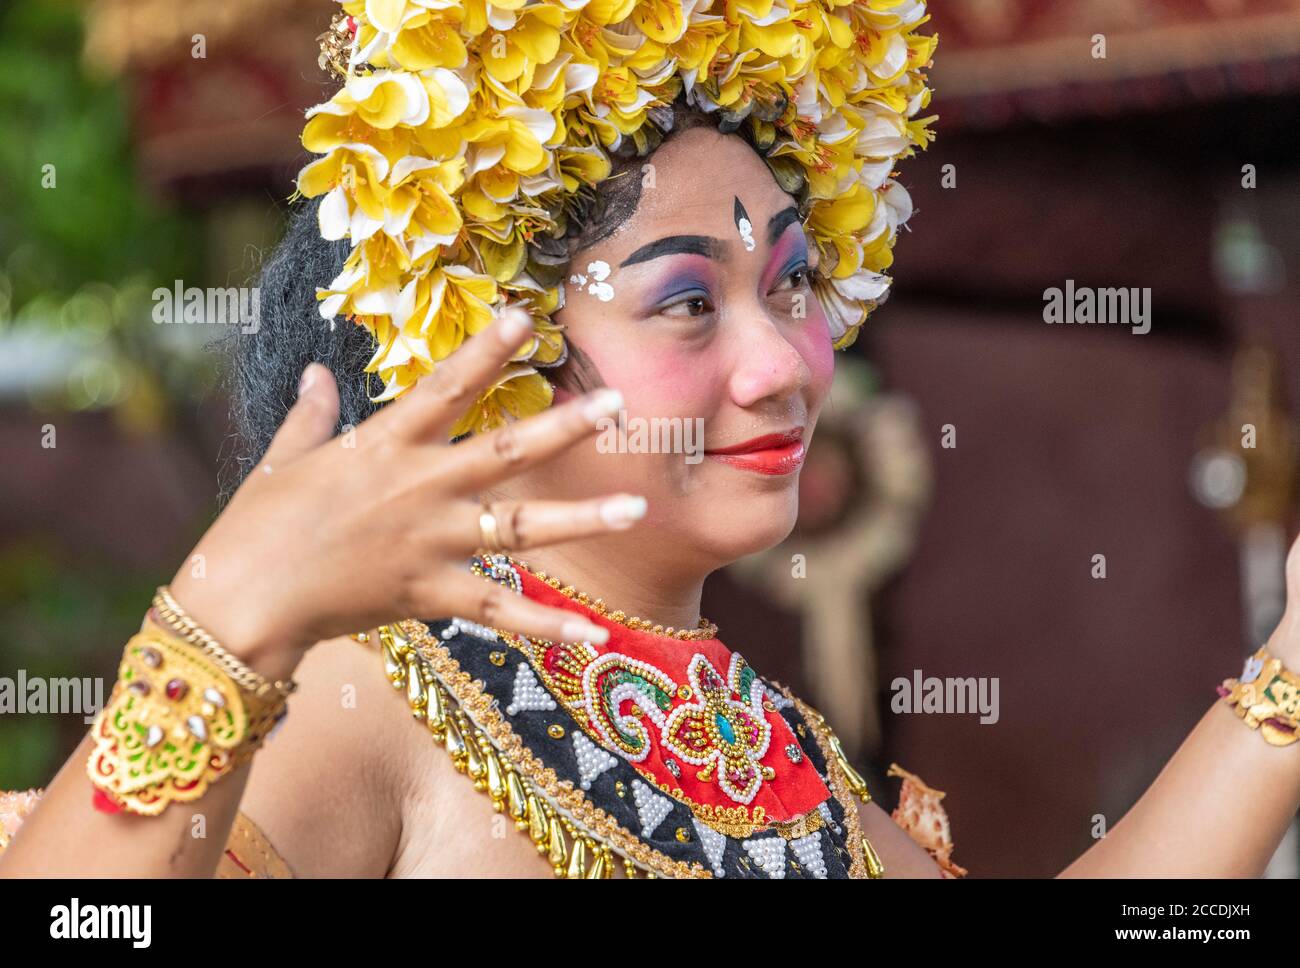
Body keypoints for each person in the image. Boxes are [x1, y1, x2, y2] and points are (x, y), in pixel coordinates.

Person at [3, 0, 1299, 879]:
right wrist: (230, 618)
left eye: (793, 285)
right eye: (688, 303)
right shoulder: (372, 692)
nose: (782, 364)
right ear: (484, 344)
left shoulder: (766, 749)